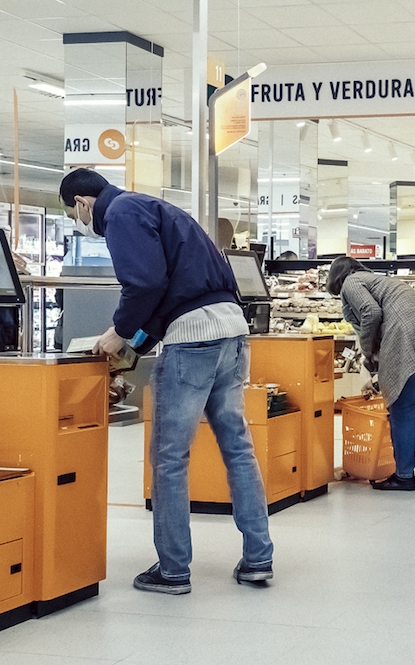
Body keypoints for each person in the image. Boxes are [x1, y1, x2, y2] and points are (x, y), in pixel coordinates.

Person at [59, 168, 273, 593]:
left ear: (83, 202)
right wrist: (136, 344)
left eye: (74, 215)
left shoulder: (118, 212)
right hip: (232, 332)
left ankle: (173, 569)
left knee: (170, 458)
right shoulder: (154, 207)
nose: (81, 222)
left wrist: (116, 333)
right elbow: (171, 286)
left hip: (193, 340)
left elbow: (145, 284)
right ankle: (258, 559)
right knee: (239, 449)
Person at [326, 256, 415, 491]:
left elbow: (370, 311)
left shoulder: (351, 282)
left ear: (336, 276)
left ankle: (404, 475)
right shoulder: (380, 280)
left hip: (408, 341)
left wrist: (367, 354)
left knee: (401, 411)